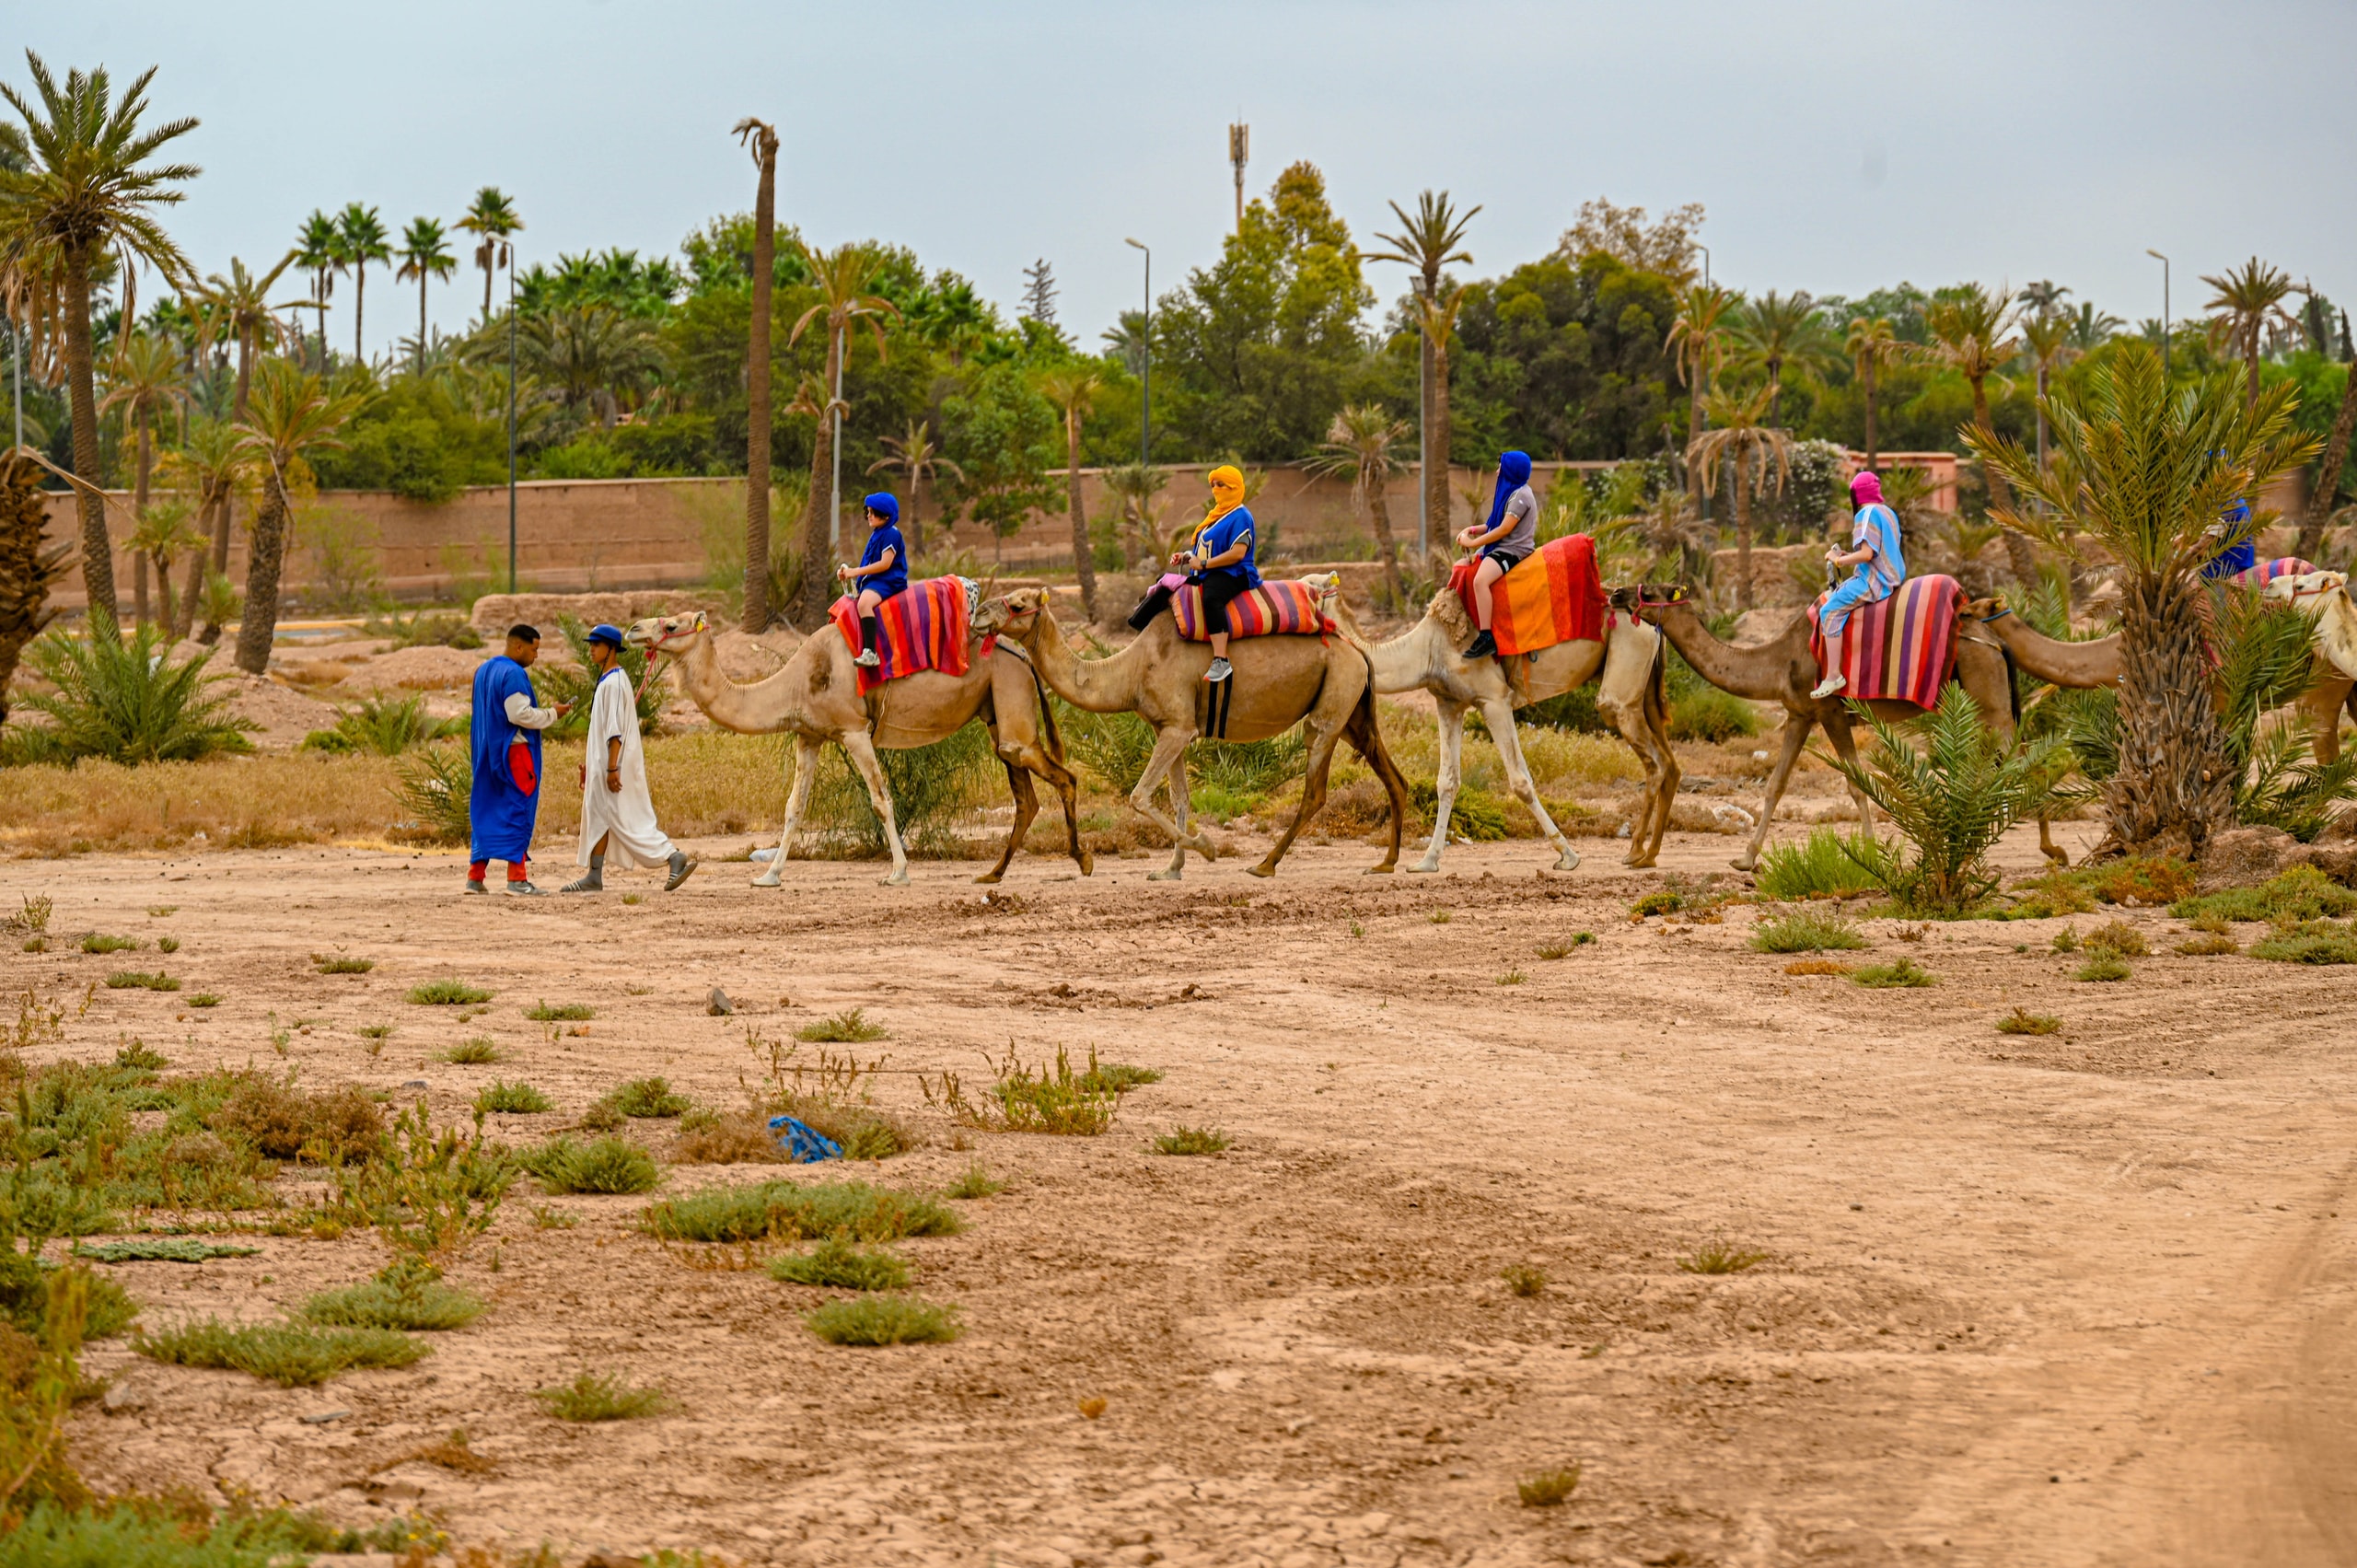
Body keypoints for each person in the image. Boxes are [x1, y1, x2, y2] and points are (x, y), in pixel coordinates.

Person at [563, 625, 697, 894]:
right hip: (604, 766)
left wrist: (612, 767)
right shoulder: (612, 680)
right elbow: (602, 731)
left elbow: (615, 731)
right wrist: (591, 767)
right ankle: (594, 875)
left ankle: (673, 856)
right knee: (599, 815)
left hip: (614, 767)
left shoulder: (613, 683)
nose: (591, 649)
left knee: (627, 821)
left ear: (610, 649)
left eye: (596, 645)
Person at [467, 624, 568, 895]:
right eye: (534, 649)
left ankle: (475, 878)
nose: (536, 656)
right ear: (518, 646)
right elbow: (519, 715)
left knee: (485, 811)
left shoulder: (484, 670)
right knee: (518, 810)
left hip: (486, 753)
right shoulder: (514, 673)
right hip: (514, 754)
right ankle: (517, 879)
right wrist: (553, 714)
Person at [1814, 470, 1908, 699]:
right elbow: (1879, 550)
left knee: (1829, 611)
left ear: (1856, 494)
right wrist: (1847, 554)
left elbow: (1867, 555)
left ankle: (1834, 676)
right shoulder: (1888, 513)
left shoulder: (1865, 514)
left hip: (1875, 580)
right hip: (1894, 575)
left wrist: (1838, 560)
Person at [1170, 463, 1260, 683]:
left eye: (1221, 485)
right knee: (1167, 586)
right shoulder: (1215, 516)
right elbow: (1205, 549)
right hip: (1208, 571)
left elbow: (1238, 553)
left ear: (1235, 487)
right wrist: (1186, 556)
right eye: (1213, 485)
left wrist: (1204, 563)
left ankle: (1221, 660)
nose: (1216, 489)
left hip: (1234, 572)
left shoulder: (1241, 516)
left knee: (1212, 598)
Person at [1457, 450, 1538, 660]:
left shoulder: (1521, 496)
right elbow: (1491, 524)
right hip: (1502, 546)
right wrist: (1471, 530)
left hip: (1512, 550)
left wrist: (1473, 543)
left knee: (1480, 581)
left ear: (1511, 469)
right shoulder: (1512, 492)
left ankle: (1486, 637)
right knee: (1460, 567)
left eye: (1501, 466)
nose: (1497, 471)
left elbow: (1503, 530)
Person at [837, 493, 909, 668]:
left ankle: (871, 652)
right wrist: (849, 573)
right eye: (867, 512)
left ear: (886, 515)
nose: (868, 515)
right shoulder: (878, 533)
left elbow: (885, 564)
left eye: (873, 512)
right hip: (876, 580)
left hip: (888, 580)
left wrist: (855, 572)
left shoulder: (891, 534)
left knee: (864, 604)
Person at [2200, 495, 2258, 579]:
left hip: (2219, 574)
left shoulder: (2223, 506)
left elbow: (2202, 549)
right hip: (2242, 570)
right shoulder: (2238, 501)